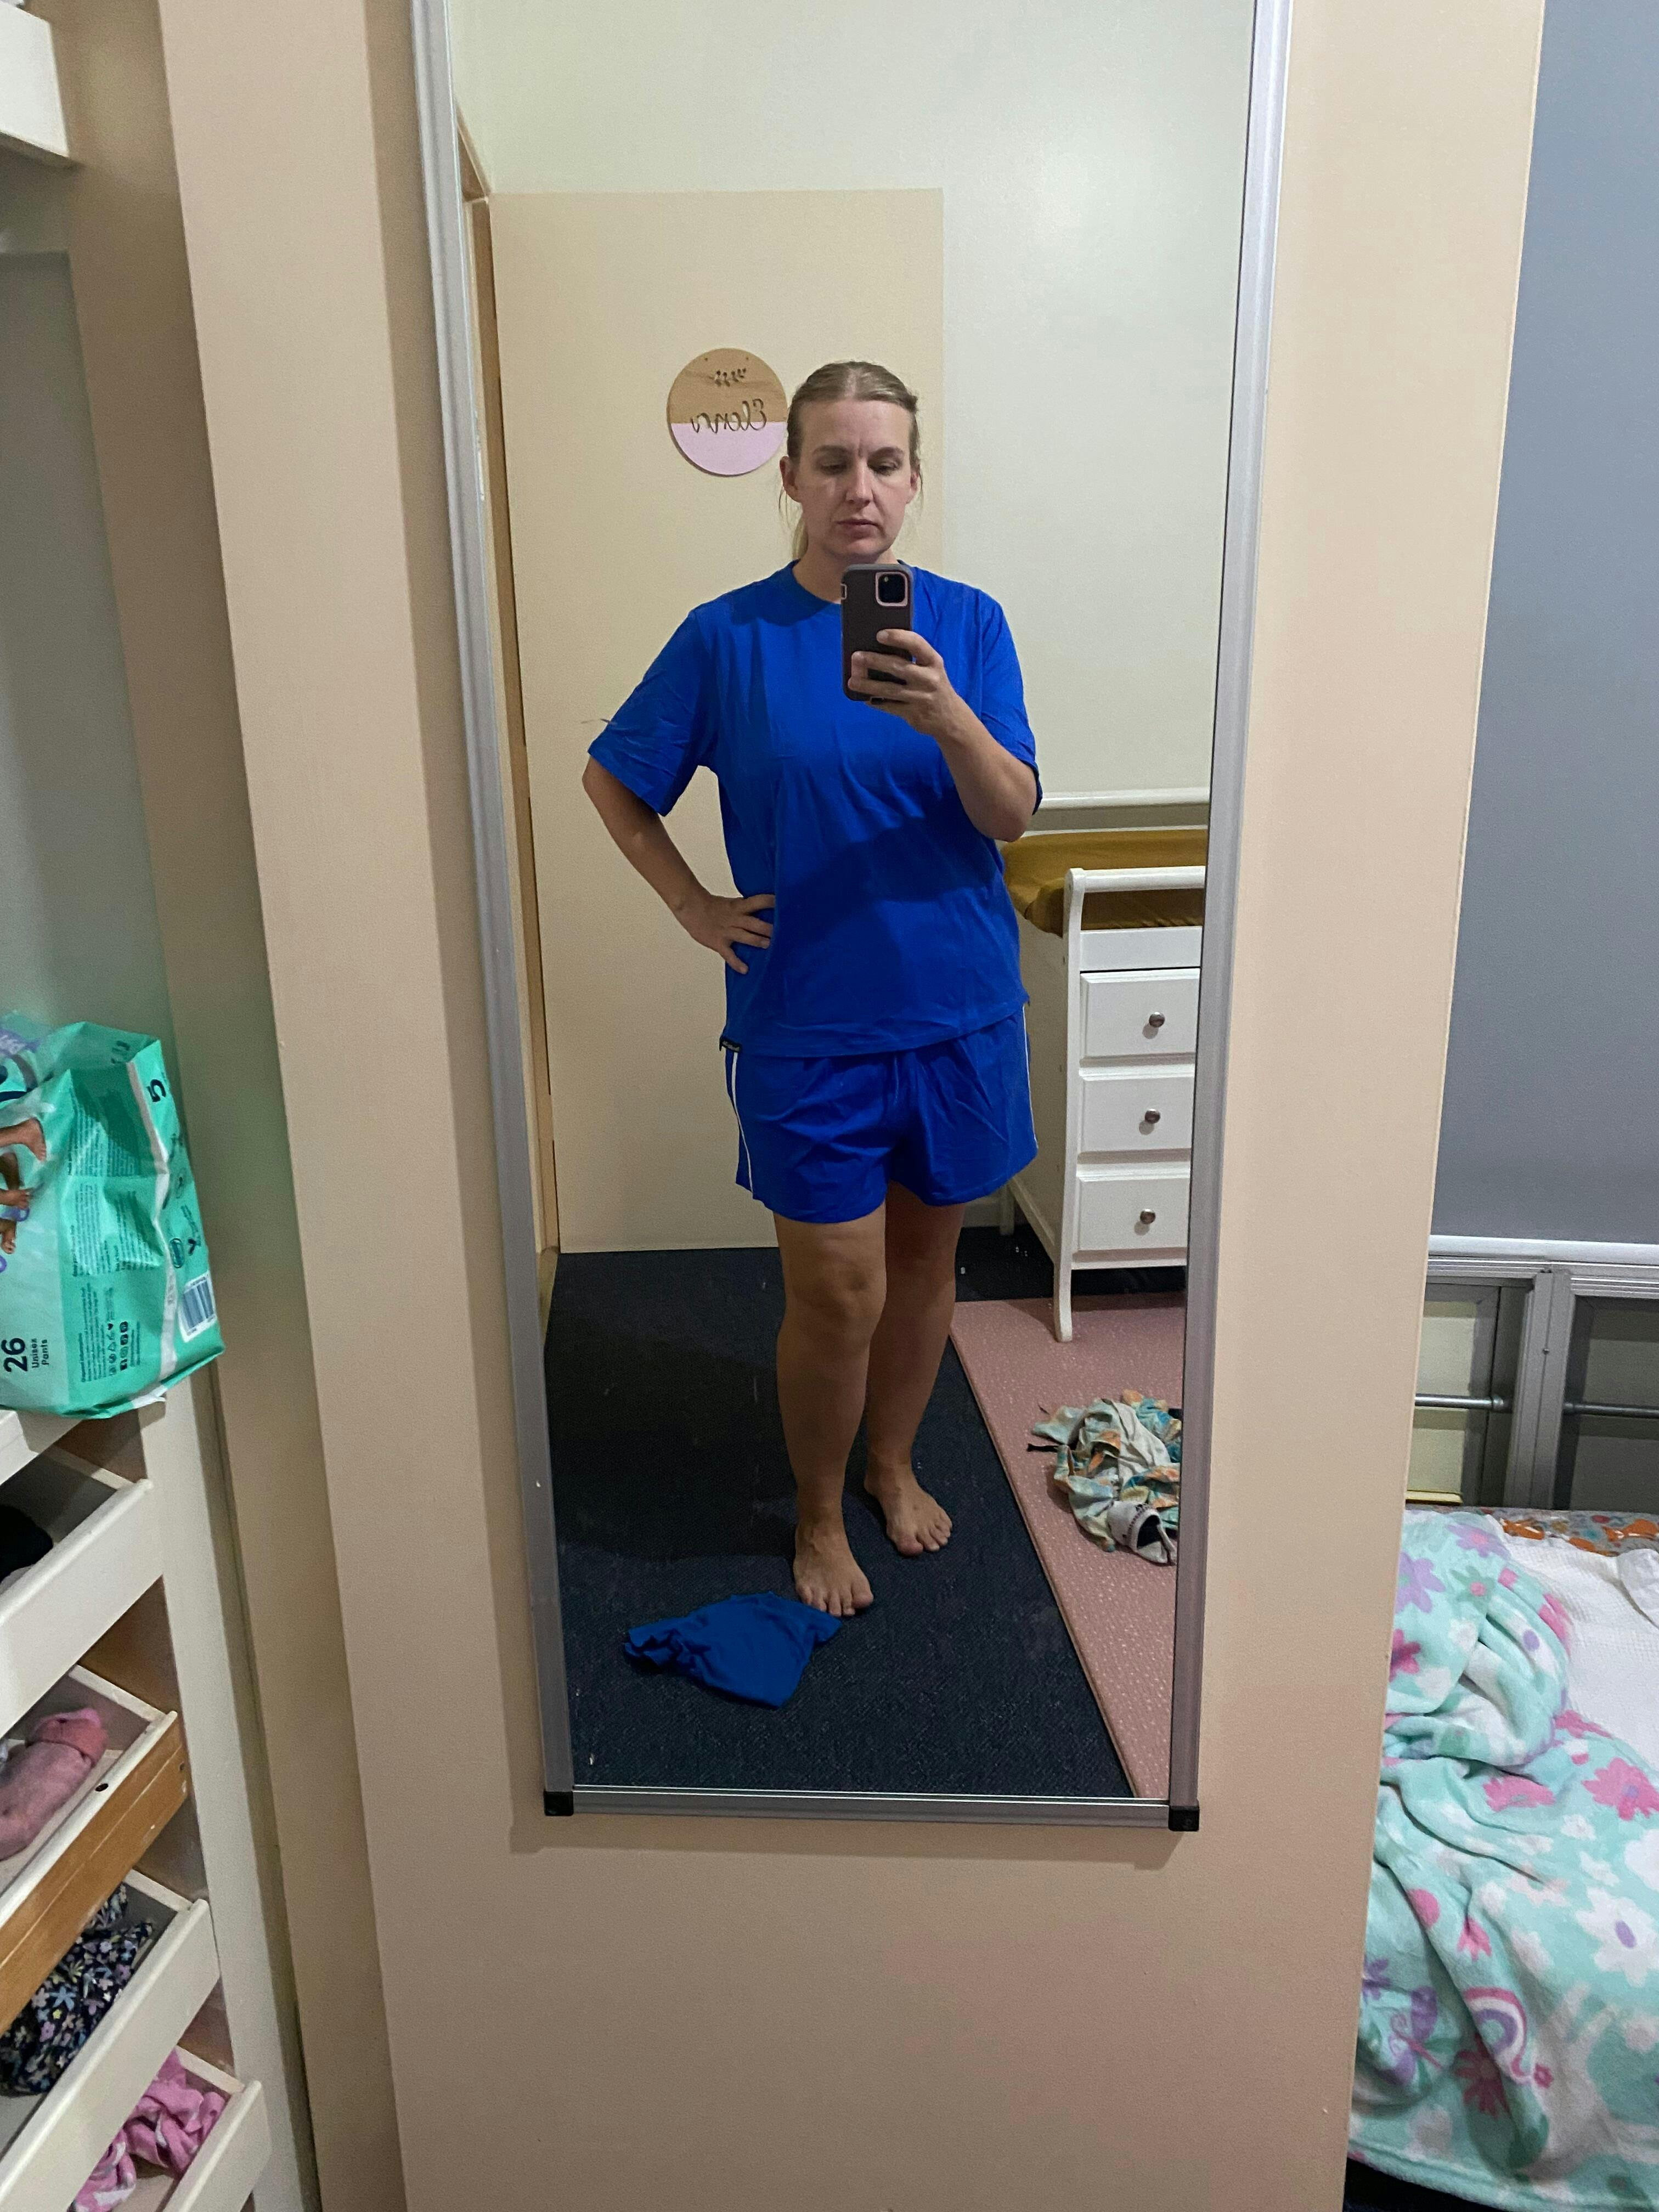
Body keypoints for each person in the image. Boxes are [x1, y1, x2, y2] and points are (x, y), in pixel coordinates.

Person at [583, 359, 1040, 1616]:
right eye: (832, 462)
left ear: (914, 480)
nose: (859, 488)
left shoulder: (970, 626)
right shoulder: (725, 638)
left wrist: (948, 715)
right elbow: (615, 779)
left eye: (884, 462)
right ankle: (822, 1511)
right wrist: (692, 906)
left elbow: (1009, 814)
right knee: (839, 1290)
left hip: (957, 1014)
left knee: (928, 1271)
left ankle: (892, 1464)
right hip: (808, 1023)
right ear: (789, 476)